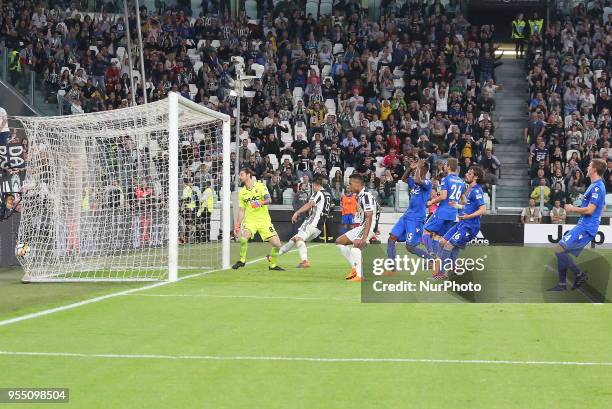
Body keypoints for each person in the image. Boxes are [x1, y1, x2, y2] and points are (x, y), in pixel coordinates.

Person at [548, 159, 607, 291]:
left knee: (559, 249)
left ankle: (579, 274)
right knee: (560, 250)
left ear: (594, 170)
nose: (587, 167)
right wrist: (578, 206)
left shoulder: (598, 187)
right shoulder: (594, 185)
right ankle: (562, 284)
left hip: (586, 227)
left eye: (589, 166)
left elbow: (591, 210)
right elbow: (598, 206)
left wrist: (572, 209)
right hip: (584, 225)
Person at [435, 166, 487, 278]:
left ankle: (442, 273)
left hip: (470, 226)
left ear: (476, 177)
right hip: (462, 223)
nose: (467, 174)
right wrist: (456, 205)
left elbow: (483, 209)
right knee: (442, 242)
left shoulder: (477, 190)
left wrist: (468, 216)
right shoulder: (469, 189)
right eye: (467, 172)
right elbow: (467, 206)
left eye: (470, 173)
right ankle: (453, 268)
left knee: (449, 246)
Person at [385, 157, 432, 273]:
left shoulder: (427, 183)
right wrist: (409, 169)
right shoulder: (414, 183)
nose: (417, 169)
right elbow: (403, 178)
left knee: (410, 247)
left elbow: (417, 180)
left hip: (416, 219)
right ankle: (391, 266)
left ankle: (431, 259)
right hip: (406, 216)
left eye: (419, 168)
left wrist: (418, 167)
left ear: (424, 170)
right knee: (391, 238)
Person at [233, 167, 284, 271]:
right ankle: (242, 261)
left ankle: (272, 265)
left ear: (248, 175)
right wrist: (237, 226)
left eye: (242, 174)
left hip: (264, 221)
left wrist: (260, 203)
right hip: (250, 221)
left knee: (277, 245)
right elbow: (242, 211)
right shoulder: (242, 192)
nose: (240, 176)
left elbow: (269, 199)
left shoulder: (260, 186)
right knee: (243, 238)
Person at [278, 176, 332, 268]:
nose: (312, 187)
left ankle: (305, 261)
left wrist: (297, 212)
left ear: (315, 185)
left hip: (312, 222)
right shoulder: (328, 194)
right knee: (294, 239)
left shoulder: (318, 193)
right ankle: (274, 256)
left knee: (299, 239)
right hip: (319, 226)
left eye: (312, 186)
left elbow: (310, 204)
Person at [336, 173, 380, 282]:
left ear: (357, 184)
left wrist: (364, 237)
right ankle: (355, 268)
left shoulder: (366, 196)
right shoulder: (360, 196)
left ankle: (360, 277)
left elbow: (369, 217)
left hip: (367, 226)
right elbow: (377, 209)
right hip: (363, 225)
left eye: (350, 184)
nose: (349, 186)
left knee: (356, 245)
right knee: (339, 241)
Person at [422, 158, 466, 262]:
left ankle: (431, 253)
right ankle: (440, 261)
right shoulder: (461, 181)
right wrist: (456, 204)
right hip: (453, 214)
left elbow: (443, 196)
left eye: (446, 165)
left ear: (449, 167)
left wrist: (431, 202)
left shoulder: (446, 179)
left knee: (426, 231)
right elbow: (464, 200)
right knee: (439, 236)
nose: (444, 166)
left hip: (443, 211)